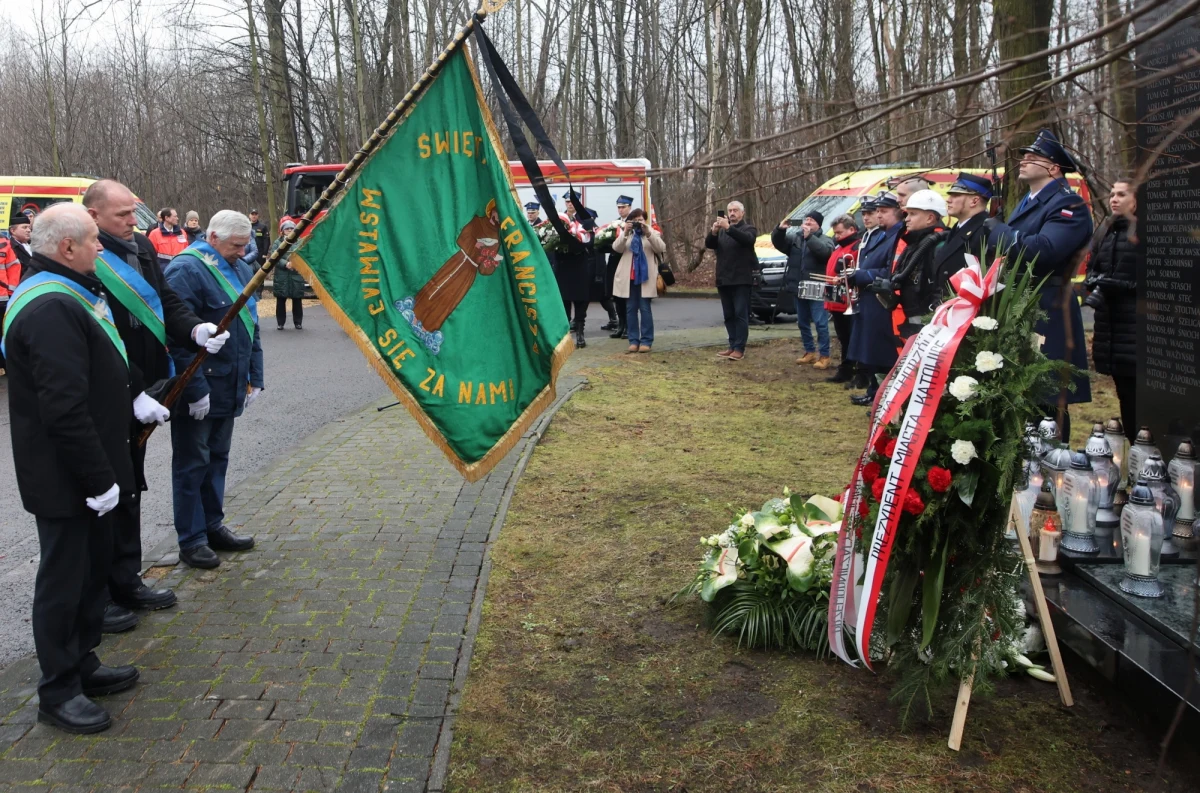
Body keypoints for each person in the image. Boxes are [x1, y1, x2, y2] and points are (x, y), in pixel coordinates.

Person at [3, 203, 140, 733]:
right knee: (64, 581)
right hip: (69, 478)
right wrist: (98, 478)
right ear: (66, 248)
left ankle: (83, 662)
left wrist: (133, 402)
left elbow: (92, 382)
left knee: (89, 576)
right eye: (93, 241)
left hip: (88, 471)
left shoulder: (68, 293)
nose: (102, 247)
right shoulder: (51, 306)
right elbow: (64, 408)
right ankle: (58, 690)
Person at [74, 179, 228, 632]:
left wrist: (195, 329)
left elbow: (164, 299)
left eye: (132, 212)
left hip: (143, 390)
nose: (131, 221)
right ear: (93, 215)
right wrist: (131, 389)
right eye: (121, 214)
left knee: (130, 488)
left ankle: (126, 579)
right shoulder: (84, 256)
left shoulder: (139, 246)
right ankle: (97, 595)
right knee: (101, 497)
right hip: (108, 395)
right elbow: (100, 337)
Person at [164, 210, 263, 569]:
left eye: (245, 244)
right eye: (237, 245)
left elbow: (250, 324)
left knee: (217, 458)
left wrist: (256, 376)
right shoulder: (186, 270)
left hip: (231, 382)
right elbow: (176, 335)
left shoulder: (239, 267)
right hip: (201, 385)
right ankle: (191, 539)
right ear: (214, 237)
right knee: (193, 463)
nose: (243, 251)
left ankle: (211, 524)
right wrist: (194, 389)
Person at [987, 128, 1094, 438]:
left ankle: (1053, 467)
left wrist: (1001, 233)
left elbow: (1043, 252)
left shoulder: (1068, 206)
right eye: (1024, 154)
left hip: (1048, 305)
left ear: (1054, 168)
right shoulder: (1028, 201)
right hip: (1022, 304)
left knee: (1047, 400)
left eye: (1034, 156)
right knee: (1023, 394)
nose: (1024, 160)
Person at [1085, 179, 1138, 439]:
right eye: (1112, 194)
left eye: (1121, 194)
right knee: (1125, 396)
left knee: (1139, 398)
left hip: (1136, 330)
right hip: (1110, 329)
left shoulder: (1146, 232)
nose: (1113, 199)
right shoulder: (1106, 230)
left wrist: (1120, 285)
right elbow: (1092, 267)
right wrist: (1095, 282)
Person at [847, 192, 906, 405]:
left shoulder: (897, 235)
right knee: (872, 351)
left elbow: (890, 269)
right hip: (871, 297)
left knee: (882, 353)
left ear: (897, 212)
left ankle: (881, 395)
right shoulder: (880, 234)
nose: (879, 216)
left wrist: (860, 275)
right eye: (877, 211)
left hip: (882, 299)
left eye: (884, 211)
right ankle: (874, 392)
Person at [773, 210, 835, 368]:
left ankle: (824, 355)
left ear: (818, 224)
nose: (808, 222)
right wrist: (780, 230)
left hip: (817, 288)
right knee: (802, 322)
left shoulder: (826, 239)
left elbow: (825, 253)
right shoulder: (795, 239)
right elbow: (779, 243)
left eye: (812, 220)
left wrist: (810, 237)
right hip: (799, 287)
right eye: (806, 219)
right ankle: (809, 352)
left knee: (821, 323)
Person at [892, 189, 949, 336]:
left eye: (913, 214)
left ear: (930, 218)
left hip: (929, 327)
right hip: (914, 323)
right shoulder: (916, 243)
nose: (907, 219)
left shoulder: (938, 245)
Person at [706, 201, 758, 361]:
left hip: (741, 279)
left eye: (735, 210)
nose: (732, 213)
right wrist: (714, 232)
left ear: (742, 213)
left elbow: (747, 240)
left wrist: (728, 228)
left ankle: (739, 348)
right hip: (724, 278)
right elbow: (709, 244)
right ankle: (732, 344)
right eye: (730, 210)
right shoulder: (722, 231)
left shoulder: (749, 229)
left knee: (740, 314)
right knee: (728, 315)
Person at [611, 208, 665, 353]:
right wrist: (625, 232)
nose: (637, 223)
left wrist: (648, 232)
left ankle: (646, 340)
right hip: (629, 278)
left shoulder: (652, 233)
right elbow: (616, 248)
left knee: (645, 309)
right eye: (634, 221)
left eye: (640, 220)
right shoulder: (627, 234)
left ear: (645, 221)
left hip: (645, 278)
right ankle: (633, 340)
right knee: (630, 310)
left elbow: (661, 248)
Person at [934, 173, 995, 291]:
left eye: (956, 195)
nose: (948, 200)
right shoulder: (959, 228)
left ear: (974, 201)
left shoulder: (985, 230)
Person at [553, 190, 597, 348]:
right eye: (567, 202)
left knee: (581, 303)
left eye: (573, 201)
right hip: (563, 266)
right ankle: (565, 337)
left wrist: (580, 243)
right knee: (564, 303)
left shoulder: (586, 219)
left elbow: (592, 243)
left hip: (580, 266)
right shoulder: (558, 219)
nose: (570, 204)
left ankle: (580, 334)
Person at [823, 214, 861, 384]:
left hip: (848, 301)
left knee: (851, 338)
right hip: (836, 302)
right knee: (843, 338)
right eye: (835, 233)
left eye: (840, 232)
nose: (836, 236)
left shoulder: (856, 247)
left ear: (851, 230)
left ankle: (852, 369)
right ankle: (846, 368)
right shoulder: (839, 248)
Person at [0, 209, 31, 373]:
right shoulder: (8, 244)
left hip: (6, 297)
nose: (28, 230)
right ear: (12, 230)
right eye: (24, 227)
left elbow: (13, 268)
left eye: (28, 227)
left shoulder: (6, 243)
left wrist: (11, 292)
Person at [603, 195, 635, 337]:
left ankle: (629, 326)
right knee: (616, 296)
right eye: (619, 207)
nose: (620, 210)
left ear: (630, 207)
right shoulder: (615, 224)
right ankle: (621, 325)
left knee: (627, 296)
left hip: (627, 261)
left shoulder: (634, 223)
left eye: (623, 207)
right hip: (615, 261)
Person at [271, 218, 306, 330]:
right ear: (282, 230)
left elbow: (304, 256)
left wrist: (295, 263)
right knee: (281, 300)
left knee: (297, 300)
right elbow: (274, 256)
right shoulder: (277, 243)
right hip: (282, 275)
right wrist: (285, 264)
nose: (289, 230)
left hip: (296, 274)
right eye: (287, 229)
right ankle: (280, 323)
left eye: (291, 228)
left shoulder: (300, 242)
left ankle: (298, 322)